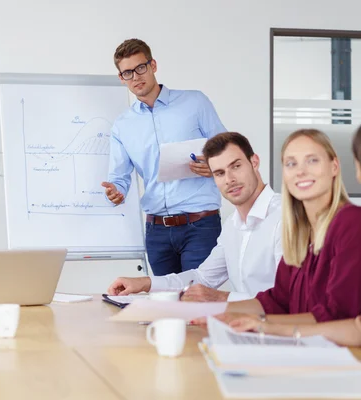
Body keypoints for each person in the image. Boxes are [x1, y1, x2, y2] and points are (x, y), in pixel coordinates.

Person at [194, 128, 361, 327]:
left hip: (336, 354)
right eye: (291, 163)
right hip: (303, 349)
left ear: (334, 166)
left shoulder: (351, 222)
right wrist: (214, 312)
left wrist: (263, 324)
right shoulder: (300, 231)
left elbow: (338, 316)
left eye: (312, 160)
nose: (301, 171)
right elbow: (277, 300)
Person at [102, 38, 227, 276]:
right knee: (164, 306)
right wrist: (115, 192)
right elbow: (119, 178)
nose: (136, 77)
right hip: (157, 232)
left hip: (200, 225)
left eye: (140, 68)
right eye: (127, 73)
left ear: (153, 65)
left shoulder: (195, 102)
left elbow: (226, 150)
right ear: (121, 78)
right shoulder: (122, 126)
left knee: (195, 300)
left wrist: (213, 166)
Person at [108, 132, 282, 301]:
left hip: (281, 327)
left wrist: (222, 298)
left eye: (236, 166)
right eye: (219, 173)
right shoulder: (232, 225)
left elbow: (290, 299)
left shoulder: (285, 218)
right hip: (243, 326)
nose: (229, 179)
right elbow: (202, 278)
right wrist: (144, 283)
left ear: (254, 162)